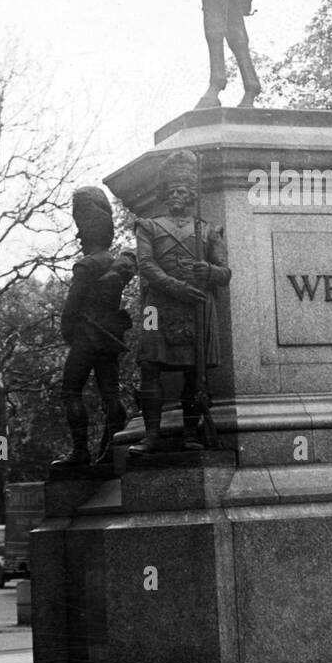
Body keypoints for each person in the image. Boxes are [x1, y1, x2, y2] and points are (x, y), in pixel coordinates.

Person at [133, 150, 231, 454]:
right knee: (149, 366)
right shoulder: (148, 226)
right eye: (172, 190)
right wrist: (174, 287)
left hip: (198, 305)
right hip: (157, 305)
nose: (177, 195)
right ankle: (151, 435)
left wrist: (210, 271)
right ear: (164, 194)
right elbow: (145, 264)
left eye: (183, 191)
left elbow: (225, 273)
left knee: (194, 372)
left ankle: (190, 434)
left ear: (192, 195)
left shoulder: (209, 230)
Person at [51, 187, 137, 476]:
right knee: (110, 393)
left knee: (70, 390)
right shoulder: (116, 263)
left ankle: (80, 451)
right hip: (110, 337)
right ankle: (111, 450)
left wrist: (69, 333)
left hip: (86, 336)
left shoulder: (86, 266)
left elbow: (71, 309)